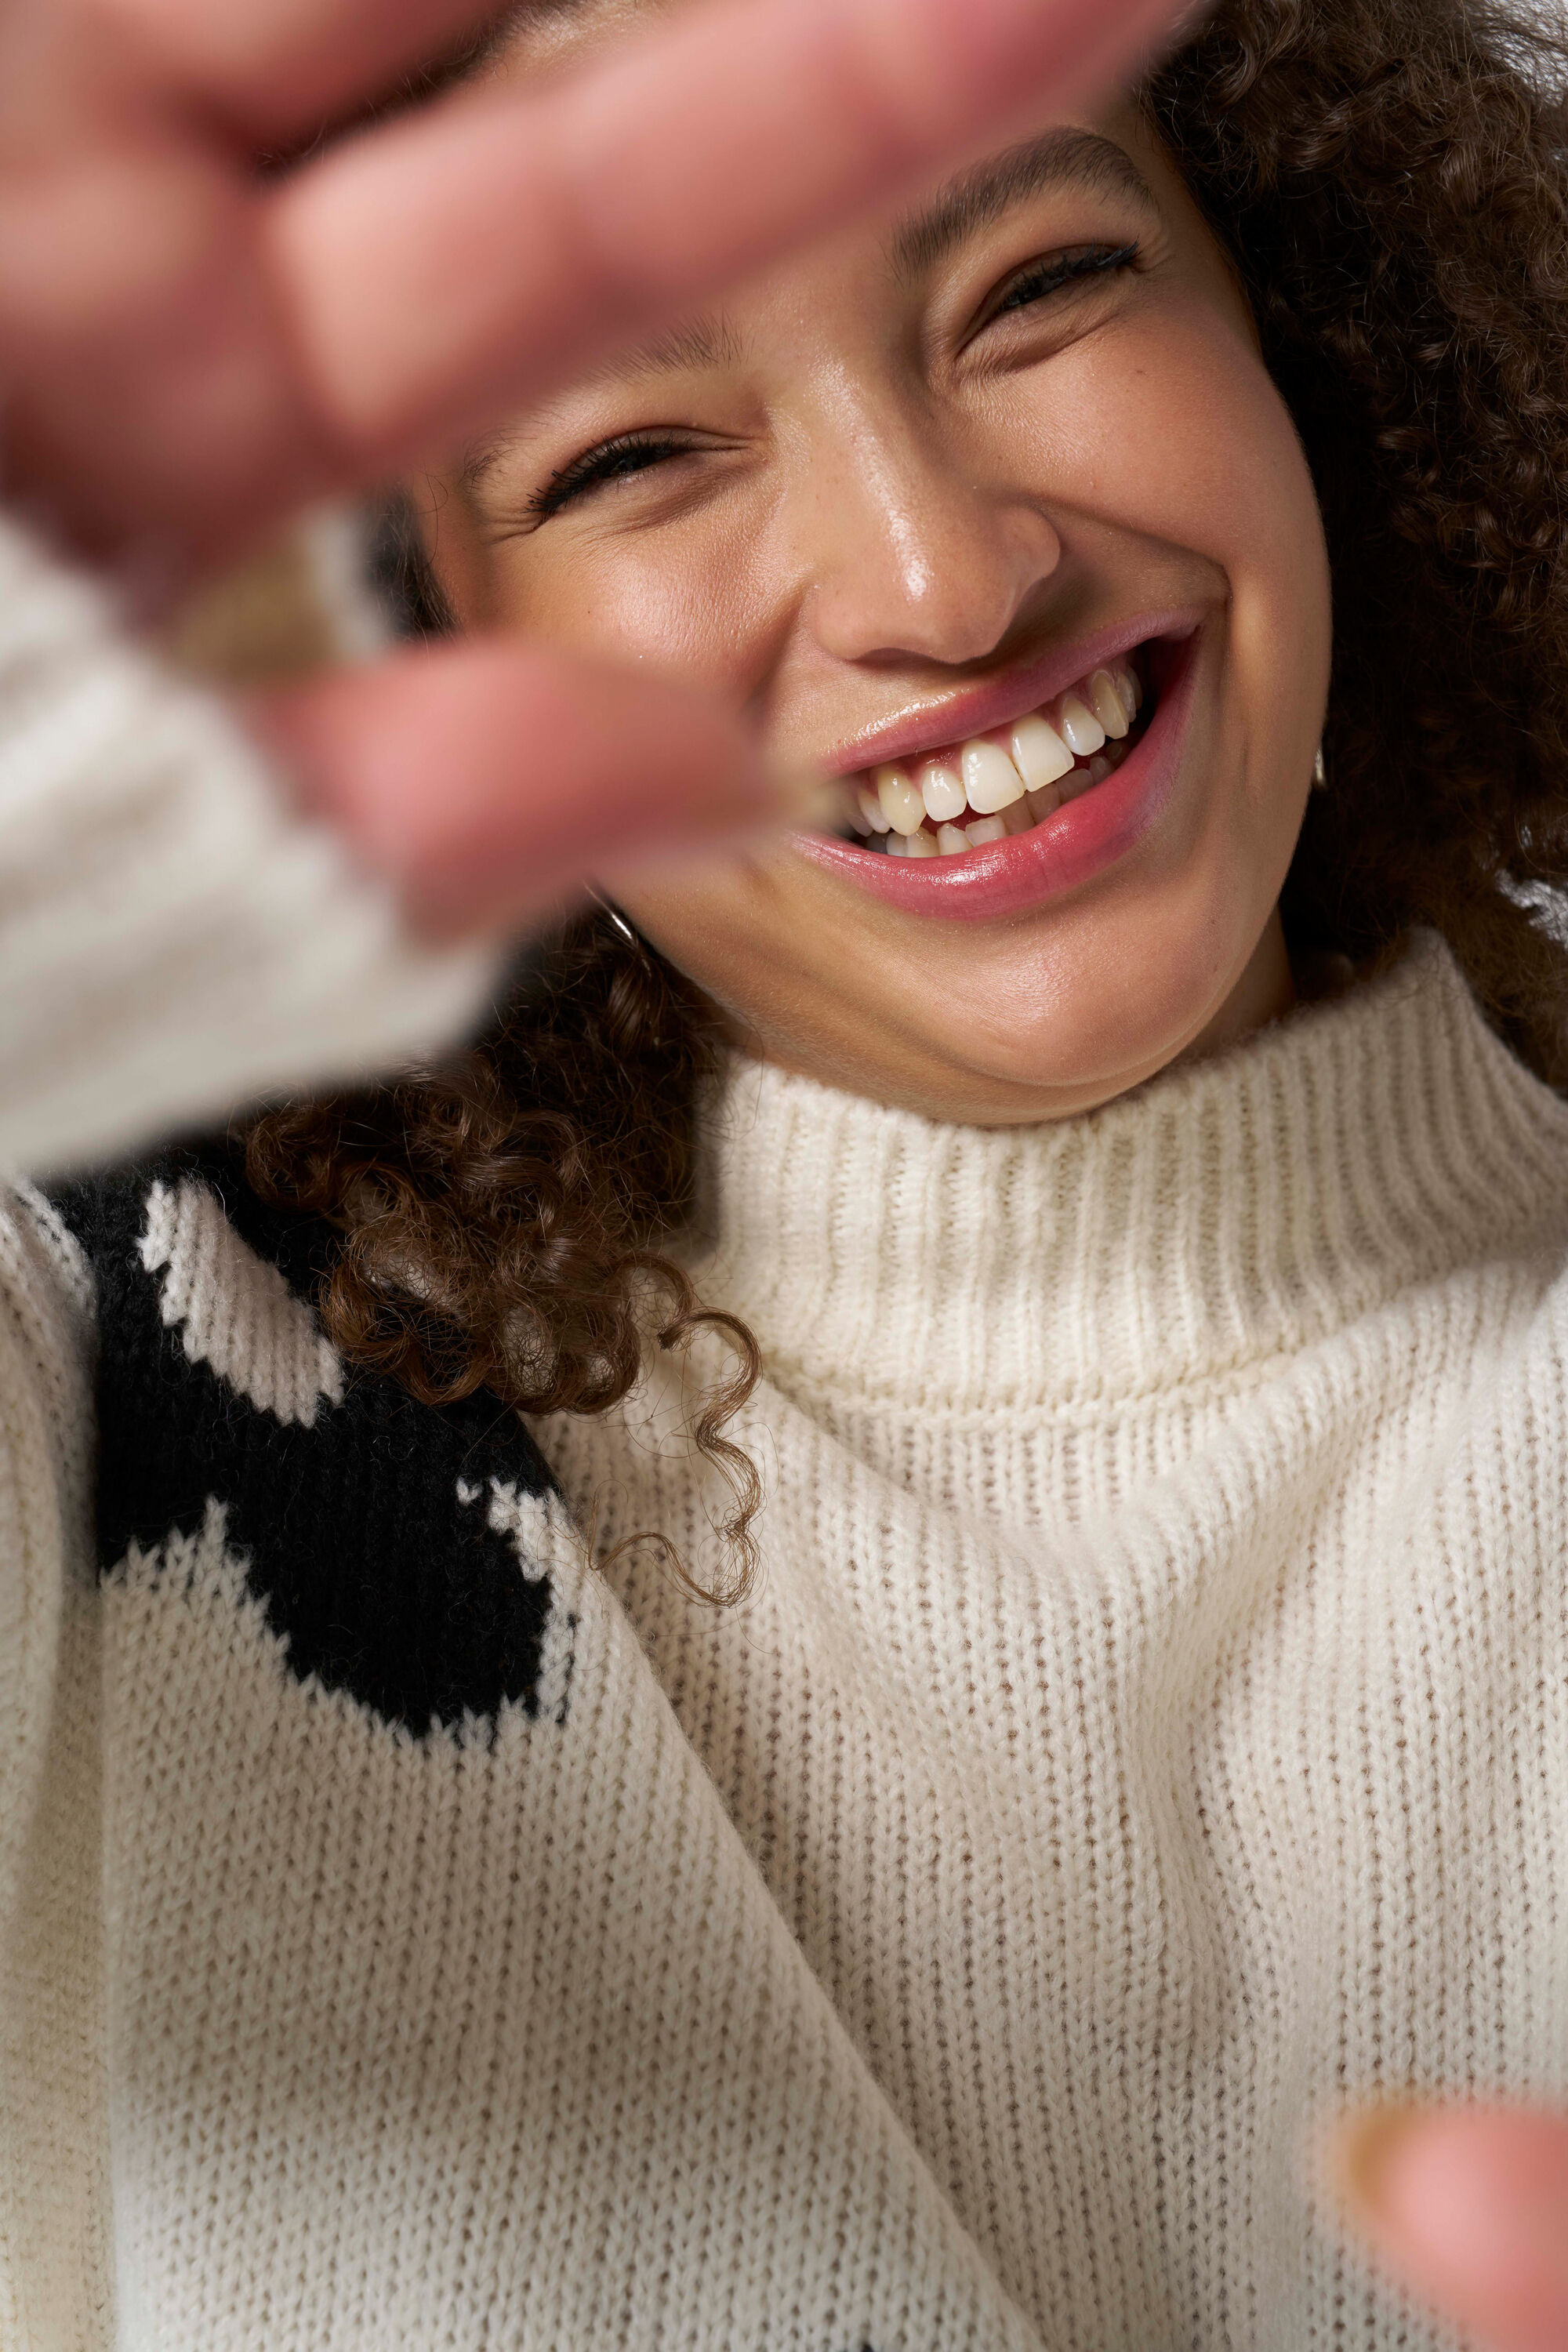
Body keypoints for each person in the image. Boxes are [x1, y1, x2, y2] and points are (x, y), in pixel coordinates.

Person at [2, 0, 1567, 2344]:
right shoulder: (129, 1325)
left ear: (1296, 329)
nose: (943, 576)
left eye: (1041, 285)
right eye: (637, 448)